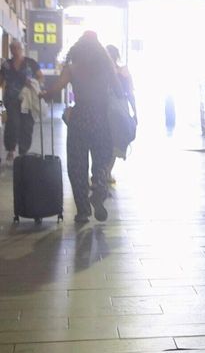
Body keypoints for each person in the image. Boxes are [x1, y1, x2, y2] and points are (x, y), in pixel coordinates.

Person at [48, 32, 121, 223]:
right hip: (101, 119)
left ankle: (83, 211)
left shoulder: (73, 68)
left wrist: (42, 94)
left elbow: (55, 89)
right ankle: (98, 189)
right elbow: (120, 91)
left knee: (77, 165)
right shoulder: (107, 66)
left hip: (79, 118)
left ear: (77, 48)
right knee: (102, 160)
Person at [2, 37, 43, 166]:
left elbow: (40, 76)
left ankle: (23, 152)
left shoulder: (30, 62)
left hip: (28, 98)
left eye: (18, 48)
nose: (15, 51)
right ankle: (11, 149)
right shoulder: (6, 65)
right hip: (12, 98)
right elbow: (1, 79)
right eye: (13, 48)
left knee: (27, 125)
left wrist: (36, 85)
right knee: (13, 123)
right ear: (10, 50)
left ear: (22, 49)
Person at [106, 46, 137, 166]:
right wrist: (135, 113)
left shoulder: (102, 73)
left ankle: (103, 172)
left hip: (105, 108)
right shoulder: (124, 72)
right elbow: (130, 94)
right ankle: (107, 172)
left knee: (106, 141)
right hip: (121, 109)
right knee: (115, 142)